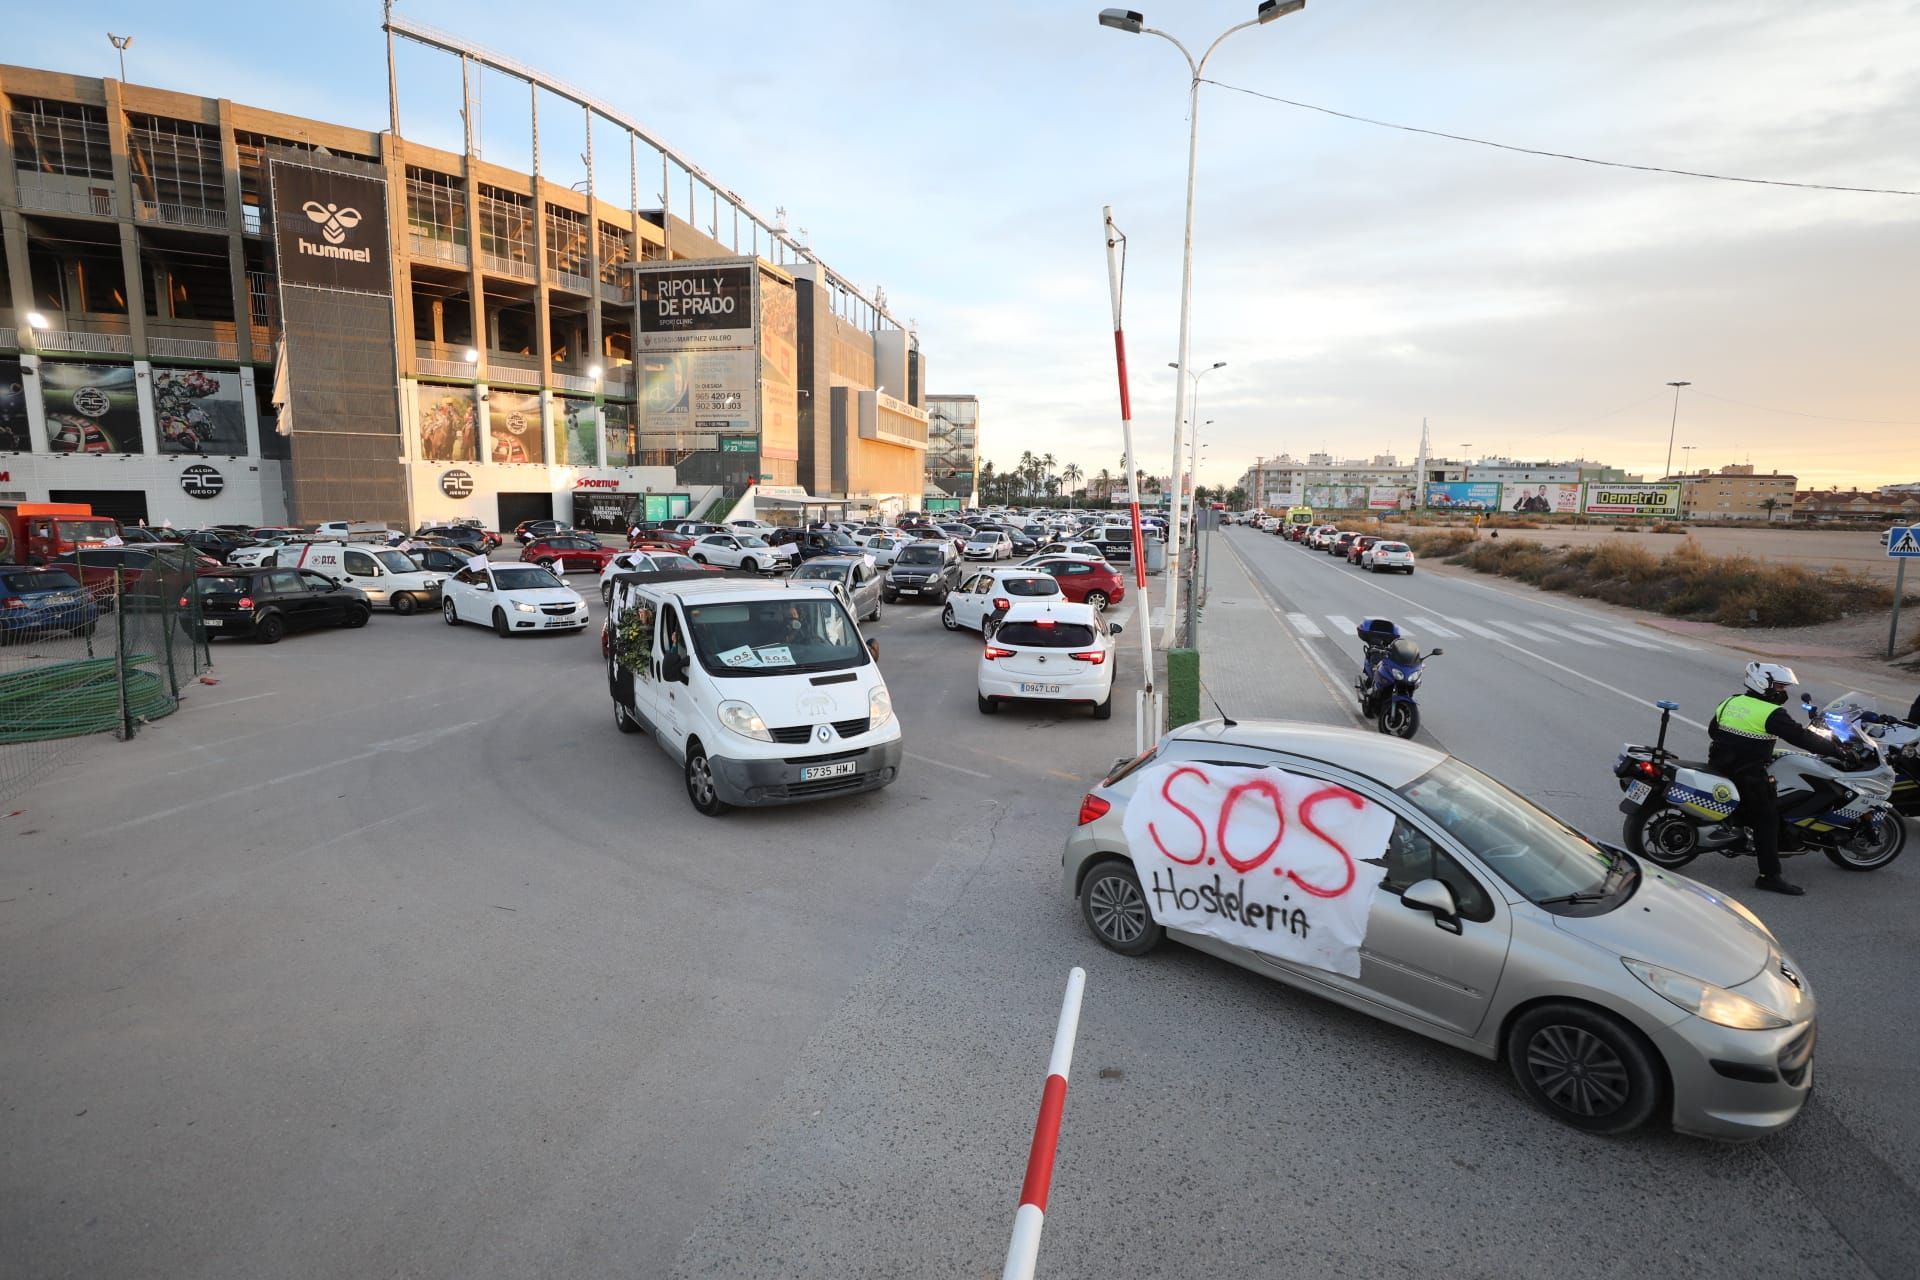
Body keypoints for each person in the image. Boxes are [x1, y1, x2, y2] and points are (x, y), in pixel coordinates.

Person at [1708, 661, 1852, 895]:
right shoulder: (1771, 713)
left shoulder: (1731, 701)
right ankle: (1769, 876)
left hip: (1720, 765)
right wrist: (1838, 751)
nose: (1784, 692)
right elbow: (1802, 738)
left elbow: (1713, 731)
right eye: (1780, 687)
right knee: (1767, 820)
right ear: (1764, 684)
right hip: (1748, 774)